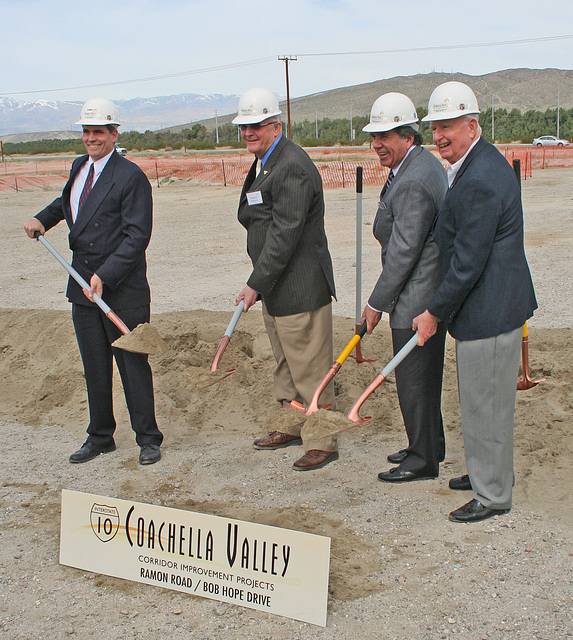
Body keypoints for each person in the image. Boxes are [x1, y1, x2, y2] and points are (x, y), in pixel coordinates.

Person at [413, 81, 537, 522]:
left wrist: (432, 314)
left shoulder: (481, 177)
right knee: (483, 400)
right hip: (489, 307)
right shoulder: (475, 164)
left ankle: (492, 495)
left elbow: (467, 263)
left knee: (486, 402)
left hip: (489, 309)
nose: (440, 135)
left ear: (472, 124)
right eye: (436, 127)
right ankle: (488, 470)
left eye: (448, 126)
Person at [24, 98, 163, 466]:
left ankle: (148, 438)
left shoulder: (130, 176)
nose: (91, 138)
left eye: (98, 131)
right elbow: (69, 203)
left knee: (132, 365)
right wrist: (42, 218)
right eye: (86, 132)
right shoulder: (78, 167)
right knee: (95, 365)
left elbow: (137, 236)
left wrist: (106, 274)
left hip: (121, 288)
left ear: (114, 134)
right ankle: (100, 436)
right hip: (82, 285)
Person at [232, 87, 338, 471]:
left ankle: (322, 441)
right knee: (286, 367)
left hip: (299, 287)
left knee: (309, 369)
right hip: (276, 287)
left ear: (276, 124)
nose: (249, 132)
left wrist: (256, 281)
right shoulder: (266, 160)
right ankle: (291, 426)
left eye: (256, 125)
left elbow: (285, 232)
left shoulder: (291, 164)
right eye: (244, 126)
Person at [360, 93, 448, 483]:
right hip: (422, 291)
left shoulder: (413, 180)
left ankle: (422, 460)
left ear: (407, 136)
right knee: (423, 379)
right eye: (374, 137)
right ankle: (427, 444)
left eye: (385, 136)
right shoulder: (420, 164)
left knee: (413, 380)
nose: (377, 144)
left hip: (416, 297)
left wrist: (376, 304)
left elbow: (403, 252)